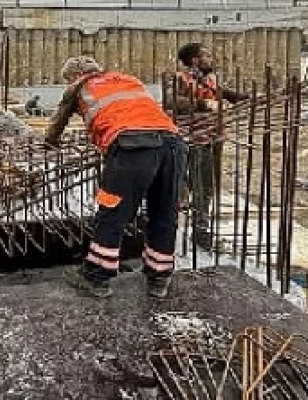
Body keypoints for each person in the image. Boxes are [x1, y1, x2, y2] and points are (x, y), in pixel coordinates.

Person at [44, 56, 187, 299]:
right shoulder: (129, 80)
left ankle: (96, 277)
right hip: (173, 145)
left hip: (132, 147)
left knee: (112, 211)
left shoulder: (79, 86)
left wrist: (50, 142)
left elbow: (57, 123)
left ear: (72, 76)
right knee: (165, 212)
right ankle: (159, 279)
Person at [171, 43, 250, 250]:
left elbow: (222, 93)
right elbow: (172, 102)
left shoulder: (210, 79)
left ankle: (199, 227)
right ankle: (194, 227)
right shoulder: (181, 78)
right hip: (192, 139)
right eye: (206, 55)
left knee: (207, 185)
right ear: (195, 60)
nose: (211, 58)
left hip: (213, 138)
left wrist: (245, 98)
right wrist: (202, 104)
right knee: (195, 183)